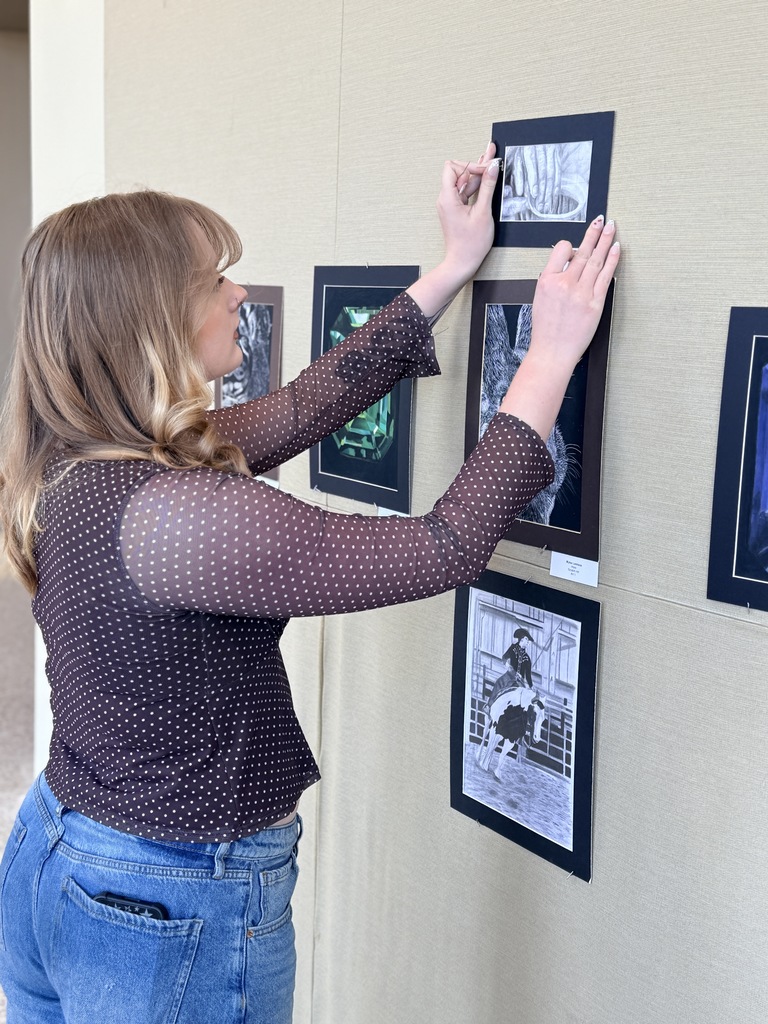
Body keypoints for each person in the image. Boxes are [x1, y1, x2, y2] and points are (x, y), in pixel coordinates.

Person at [0, 141, 620, 1023]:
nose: (238, 294)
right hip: (164, 906)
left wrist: (452, 267)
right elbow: (444, 546)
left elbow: (300, 407)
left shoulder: (88, 455)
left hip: (59, 854)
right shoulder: (179, 519)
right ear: (155, 317)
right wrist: (550, 356)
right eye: (217, 279)